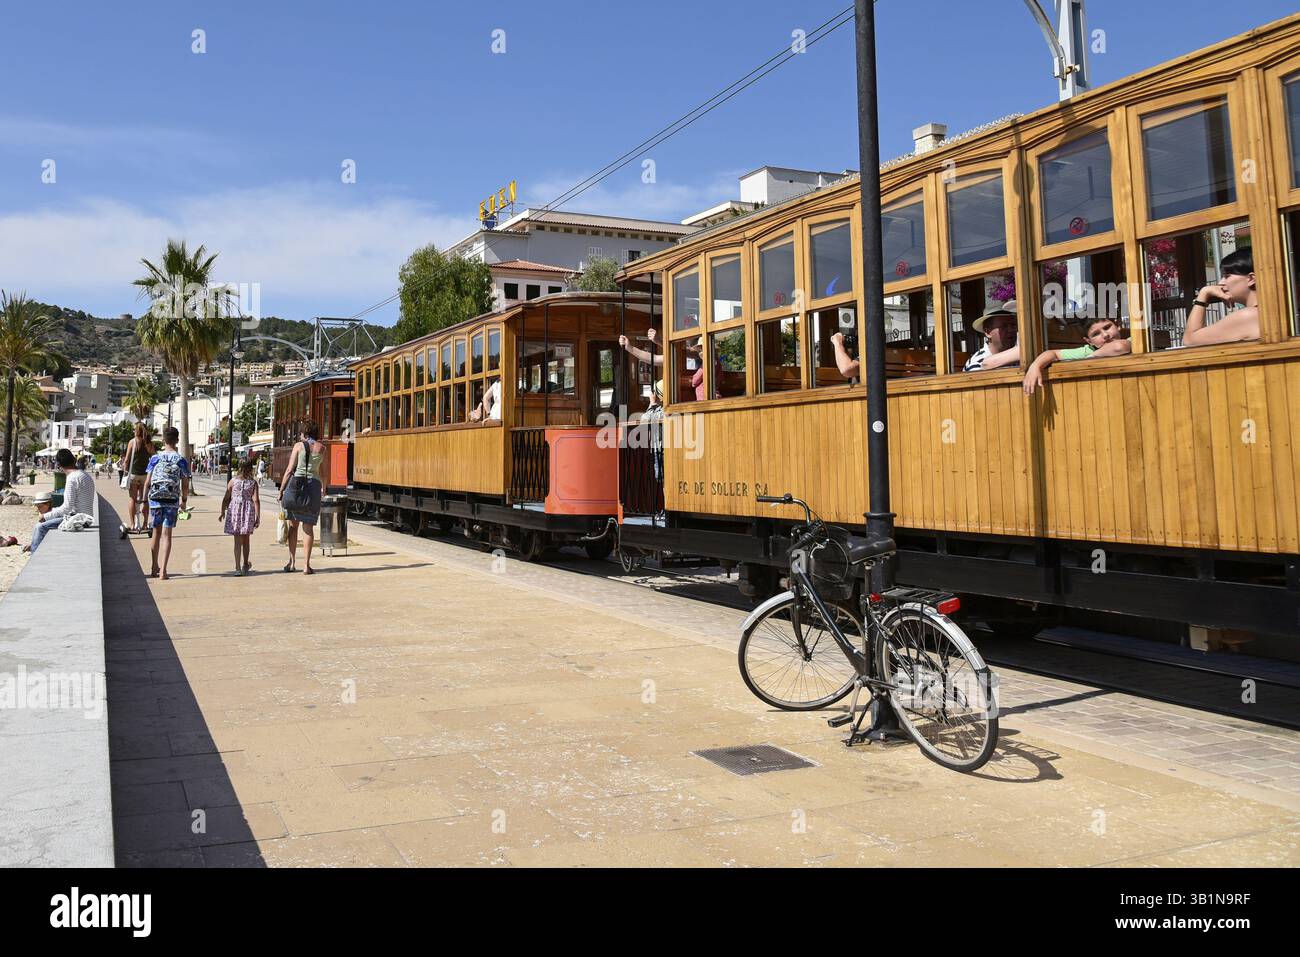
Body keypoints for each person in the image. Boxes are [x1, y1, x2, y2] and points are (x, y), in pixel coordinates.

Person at [1023, 315, 1131, 395]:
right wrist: (1035, 366)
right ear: (1089, 341)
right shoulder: (1088, 350)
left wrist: (1090, 357)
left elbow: (1120, 347)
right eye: (1096, 334)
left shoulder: (1134, 340)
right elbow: (1052, 353)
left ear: (1118, 326)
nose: (1105, 335)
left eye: (1107, 327)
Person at [1183, 248, 1259, 347]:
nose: (1220, 283)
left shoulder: (1248, 315)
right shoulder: (1261, 313)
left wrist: (1203, 293)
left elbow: (1189, 340)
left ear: (1251, 279)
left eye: (1227, 276)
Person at [25, 449, 96, 554]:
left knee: (39, 527)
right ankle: (34, 545)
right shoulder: (84, 475)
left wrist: (45, 516)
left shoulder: (72, 478)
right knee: (49, 519)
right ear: (73, 460)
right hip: (86, 518)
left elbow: (67, 508)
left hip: (78, 520)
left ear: (58, 464)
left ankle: (34, 555)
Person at [278, 420, 325, 575]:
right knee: (308, 527)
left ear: (304, 432)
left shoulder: (298, 446)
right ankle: (306, 565)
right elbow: (322, 471)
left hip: (297, 486)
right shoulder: (322, 448)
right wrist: (323, 487)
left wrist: (282, 489)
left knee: (293, 524)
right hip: (313, 488)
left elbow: (290, 470)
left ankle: (291, 563)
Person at [146, 426, 192, 580]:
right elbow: (185, 484)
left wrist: (145, 501)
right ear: (177, 440)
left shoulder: (154, 458)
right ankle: (163, 571)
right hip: (172, 501)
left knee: (156, 533)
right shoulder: (181, 460)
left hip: (156, 500)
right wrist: (183, 501)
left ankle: (153, 567)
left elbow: (147, 482)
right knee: (167, 535)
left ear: (164, 440)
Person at [219, 459, 261, 575]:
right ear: (250, 468)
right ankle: (245, 564)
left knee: (237, 541)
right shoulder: (253, 483)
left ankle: (237, 568)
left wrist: (222, 511)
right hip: (248, 512)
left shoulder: (232, 481)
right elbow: (256, 500)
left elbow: (226, 497)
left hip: (235, 511)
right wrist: (258, 517)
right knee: (246, 540)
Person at [964, 300, 1021, 371]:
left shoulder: (1021, 357)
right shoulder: (977, 364)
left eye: (1013, 325)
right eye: (1004, 326)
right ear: (987, 332)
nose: (1011, 330)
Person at [118, 423, 154, 533]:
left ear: (136, 431)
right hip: (145, 475)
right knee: (145, 500)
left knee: (132, 499)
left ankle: (133, 524)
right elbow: (154, 458)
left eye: (134, 429)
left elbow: (127, 459)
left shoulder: (132, 442)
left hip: (133, 475)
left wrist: (125, 471)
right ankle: (144, 524)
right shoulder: (148, 443)